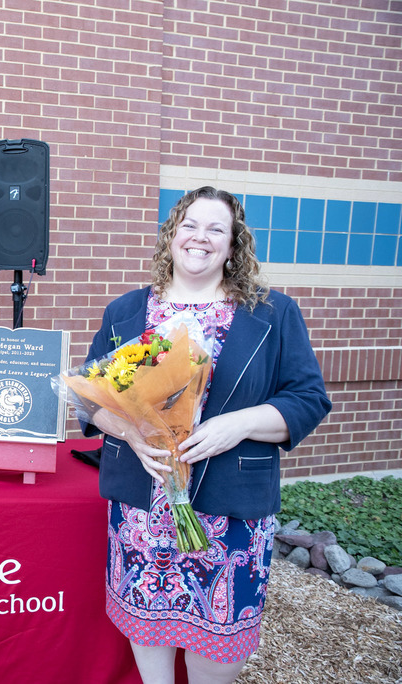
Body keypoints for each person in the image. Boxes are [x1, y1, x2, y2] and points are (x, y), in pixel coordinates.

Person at [82, 186, 331, 684]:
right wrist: (131, 433)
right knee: (149, 633)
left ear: (234, 245)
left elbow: (308, 399)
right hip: (141, 508)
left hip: (229, 514)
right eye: (190, 225)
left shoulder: (271, 314)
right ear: (171, 237)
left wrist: (235, 425)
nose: (201, 238)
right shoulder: (129, 312)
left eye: (217, 229)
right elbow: (92, 401)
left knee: (216, 649)